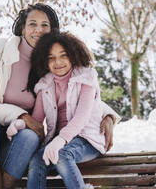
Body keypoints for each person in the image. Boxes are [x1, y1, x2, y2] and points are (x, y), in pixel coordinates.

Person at [0, 4, 120, 189]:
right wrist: (21, 117)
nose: (38, 30)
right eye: (32, 24)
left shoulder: (47, 63)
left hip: (15, 144)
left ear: (52, 30)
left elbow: (74, 91)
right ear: (23, 27)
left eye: (45, 25)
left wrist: (108, 116)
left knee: (30, 137)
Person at [7, 31, 108, 188]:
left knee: (62, 155)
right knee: (36, 160)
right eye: (51, 58)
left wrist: (61, 140)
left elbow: (82, 116)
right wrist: (20, 124)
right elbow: (37, 121)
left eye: (63, 55)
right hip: (59, 142)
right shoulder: (44, 85)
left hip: (87, 138)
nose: (58, 62)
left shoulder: (86, 78)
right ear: (45, 61)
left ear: (72, 55)